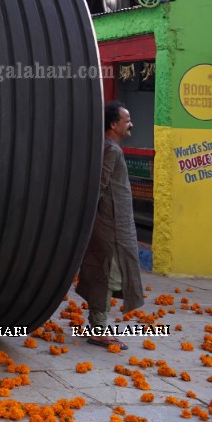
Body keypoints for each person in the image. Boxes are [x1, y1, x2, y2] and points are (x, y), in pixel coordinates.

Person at [76, 100, 144, 349]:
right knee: (106, 275)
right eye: (127, 121)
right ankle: (99, 329)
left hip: (113, 225)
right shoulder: (111, 150)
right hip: (110, 227)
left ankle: (99, 325)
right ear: (114, 124)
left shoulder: (107, 147)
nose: (131, 125)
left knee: (106, 274)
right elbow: (99, 188)